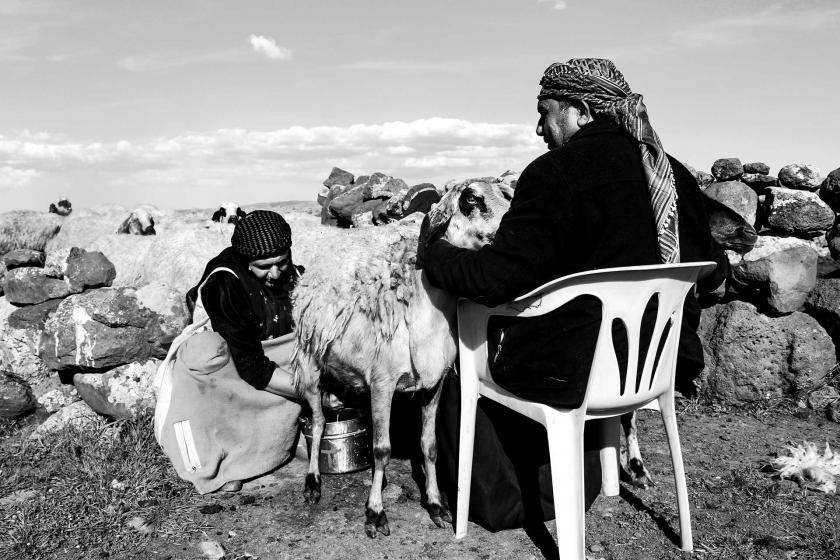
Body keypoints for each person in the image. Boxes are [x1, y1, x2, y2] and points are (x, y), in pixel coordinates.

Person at [421, 58, 727, 531]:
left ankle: (501, 496)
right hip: (656, 364)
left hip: (577, 372)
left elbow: (495, 279)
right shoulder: (672, 177)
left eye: (544, 112)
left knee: (470, 351)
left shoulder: (555, 174)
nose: (538, 127)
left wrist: (436, 255)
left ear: (580, 111)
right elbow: (712, 269)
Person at [156, 210, 307, 494]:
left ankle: (279, 440)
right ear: (245, 259)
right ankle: (220, 459)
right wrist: (311, 389)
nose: (275, 274)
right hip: (229, 371)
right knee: (204, 351)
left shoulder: (294, 276)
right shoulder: (224, 284)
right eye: (264, 267)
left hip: (276, 364)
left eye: (282, 263)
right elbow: (252, 366)